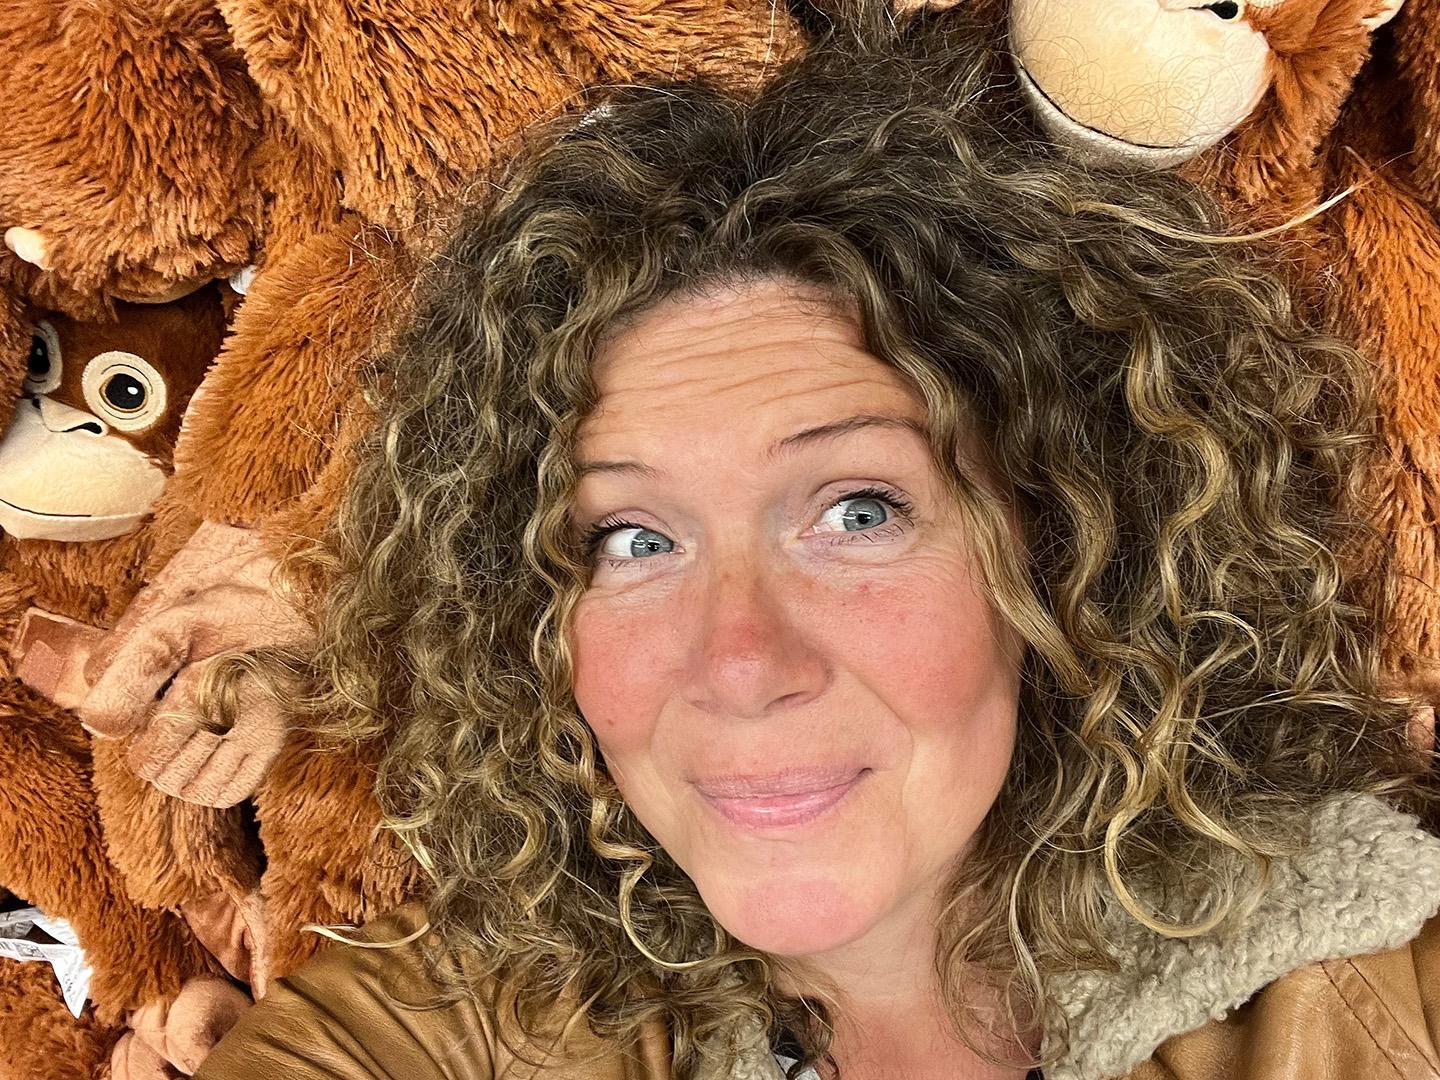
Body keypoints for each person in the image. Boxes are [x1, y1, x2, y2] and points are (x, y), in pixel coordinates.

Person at [195, 14, 1440, 1080]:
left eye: (858, 513)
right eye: (631, 538)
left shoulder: (1391, 987)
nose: (740, 663)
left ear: (1062, 547)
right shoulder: (439, 1033)